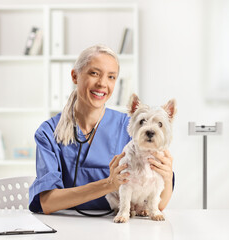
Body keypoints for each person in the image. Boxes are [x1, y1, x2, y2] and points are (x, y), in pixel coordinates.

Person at [28, 44, 174, 214]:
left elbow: (159, 205)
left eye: (111, 77)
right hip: (66, 225)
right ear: (75, 76)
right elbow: (47, 202)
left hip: (117, 224)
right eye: (94, 73)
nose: (102, 83)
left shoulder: (132, 127)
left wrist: (167, 177)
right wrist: (108, 185)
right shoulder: (49, 132)